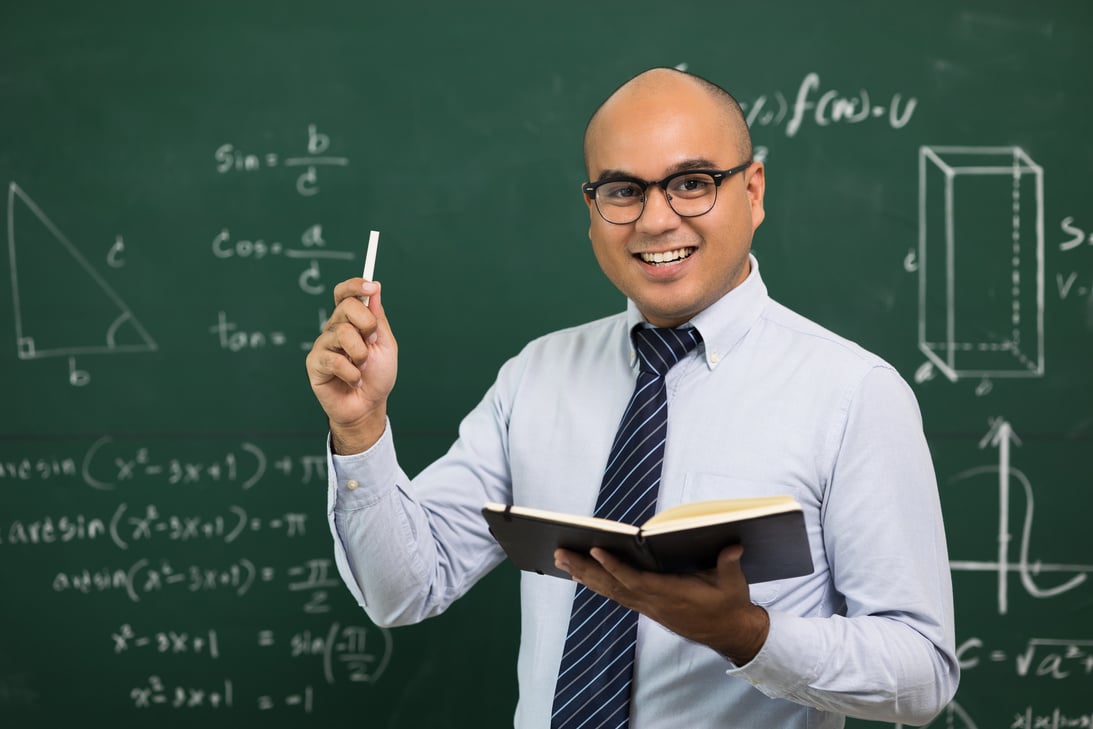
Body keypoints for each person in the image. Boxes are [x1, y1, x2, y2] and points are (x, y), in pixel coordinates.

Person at [305, 67, 959, 728]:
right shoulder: (538, 374)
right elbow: (404, 588)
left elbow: (921, 673)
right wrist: (360, 427)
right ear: (591, 210)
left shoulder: (852, 392)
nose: (654, 218)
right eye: (622, 190)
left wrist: (747, 634)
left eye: (691, 183)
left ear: (752, 191)